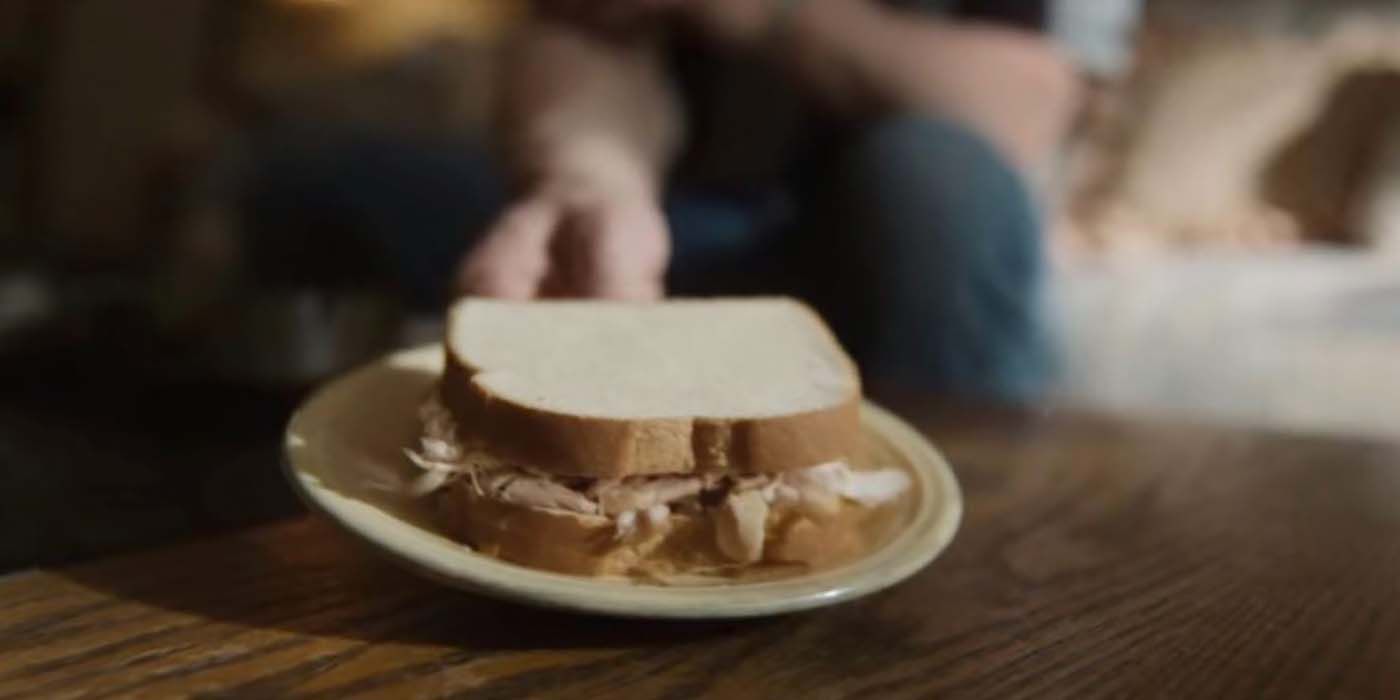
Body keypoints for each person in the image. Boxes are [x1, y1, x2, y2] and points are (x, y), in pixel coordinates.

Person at [244, 0, 1141, 401]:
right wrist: (590, 178)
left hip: (896, 252)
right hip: (681, 232)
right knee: (311, 177)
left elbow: (1019, 106)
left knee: (936, 180)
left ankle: (964, 576)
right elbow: (582, 37)